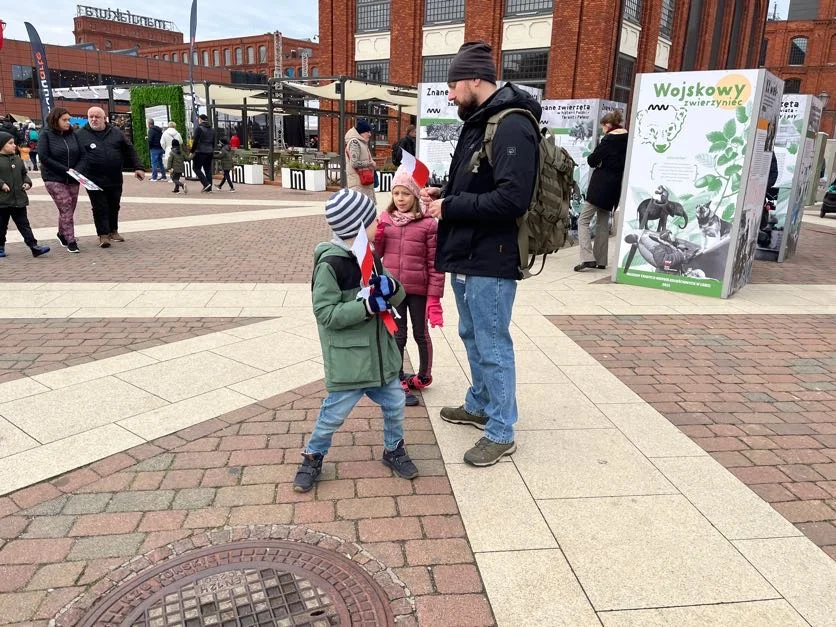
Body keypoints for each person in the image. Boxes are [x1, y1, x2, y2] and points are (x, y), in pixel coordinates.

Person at [421, 41, 540, 467]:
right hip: (468, 253)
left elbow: (512, 199)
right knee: (472, 335)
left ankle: (501, 429)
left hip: (493, 256)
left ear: (475, 79)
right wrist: (444, 192)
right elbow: (480, 182)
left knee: (492, 342)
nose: (449, 95)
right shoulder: (480, 120)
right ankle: (480, 403)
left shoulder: (511, 125)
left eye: (452, 85)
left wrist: (450, 206)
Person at [293, 188, 419, 493]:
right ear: (358, 228)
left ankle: (394, 449)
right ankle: (313, 456)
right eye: (374, 219)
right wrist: (364, 307)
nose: (380, 223)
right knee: (333, 415)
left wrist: (392, 287)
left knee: (395, 402)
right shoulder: (330, 265)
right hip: (350, 362)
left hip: (380, 359)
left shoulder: (371, 258)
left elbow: (397, 294)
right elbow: (326, 314)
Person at [374, 165, 444, 407]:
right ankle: (396, 378)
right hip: (394, 290)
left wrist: (434, 298)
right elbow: (377, 255)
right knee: (397, 333)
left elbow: (435, 263)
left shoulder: (428, 224)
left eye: (405, 193)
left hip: (419, 289)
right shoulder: (385, 219)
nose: (400, 199)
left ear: (415, 195)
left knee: (420, 333)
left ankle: (424, 375)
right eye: (396, 193)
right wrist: (378, 237)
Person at [76, 106, 145, 248]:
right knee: (99, 207)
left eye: (97, 117)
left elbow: (130, 149)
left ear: (104, 118)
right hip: (92, 179)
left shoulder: (116, 133)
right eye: (91, 117)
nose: (94, 119)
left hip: (114, 177)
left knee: (114, 205)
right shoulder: (80, 135)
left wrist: (138, 167)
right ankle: (103, 235)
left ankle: (113, 230)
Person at [574, 109, 628, 271]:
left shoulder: (609, 140)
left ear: (608, 125)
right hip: (614, 188)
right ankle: (601, 260)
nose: (602, 130)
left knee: (583, 220)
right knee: (603, 223)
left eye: (603, 127)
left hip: (600, 186)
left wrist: (600, 163)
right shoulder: (627, 139)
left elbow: (592, 159)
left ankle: (587, 257)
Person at [38, 107, 83, 253]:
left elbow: (83, 154)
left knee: (68, 209)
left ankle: (61, 233)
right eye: (64, 120)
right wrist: (65, 170)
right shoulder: (45, 134)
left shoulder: (73, 135)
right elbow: (44, 157)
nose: (68, 122)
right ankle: (71, 239)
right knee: (66, 204)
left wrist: (77, 169)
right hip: (54, 177)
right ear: (55, 120)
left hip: (73, 177)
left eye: (69, 119)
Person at [0, 131, 50, 259]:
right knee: (1, 226)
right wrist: (1, 184)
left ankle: (34, 247)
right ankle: (0, 247)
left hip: (19, 199)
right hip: (3, 201)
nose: (14, 145)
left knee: (24, 224)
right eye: (10, 143)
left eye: (14, 143)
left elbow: (24, 174)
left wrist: (27, 183)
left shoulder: (17, 159)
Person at [344, 119, 376, 202]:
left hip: (363, 182)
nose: (370, 134)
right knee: (361, 209)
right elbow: (354, 163)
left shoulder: (362, 143)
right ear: (361, 132)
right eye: (367, 132)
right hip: (358, 183)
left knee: (366, 208)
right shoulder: (355, 143)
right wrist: (369, 163)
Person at [191, 114, 216, 192]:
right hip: (210, 151)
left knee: (196, 168)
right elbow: (213, 142)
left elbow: (195, 141)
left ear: (200, 119)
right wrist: (212, 149)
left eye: (199, 119)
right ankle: (209, 188)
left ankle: (206, 184)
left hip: (200, 151)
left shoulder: (199, 129)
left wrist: (192, 151)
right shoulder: (212, 129)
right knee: (208, 169)